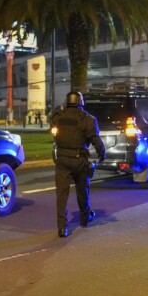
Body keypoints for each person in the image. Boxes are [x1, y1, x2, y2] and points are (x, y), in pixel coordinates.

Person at [50, 91, 105, 238]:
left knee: (61, 194)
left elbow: (53, 128)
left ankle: (62, 227)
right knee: (82, 190)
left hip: (62, 159)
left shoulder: (59, 117)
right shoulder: (87, 119)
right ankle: (84, 217)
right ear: (81, 102)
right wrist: (102, 153)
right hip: (79, 160)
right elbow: (95, 140)